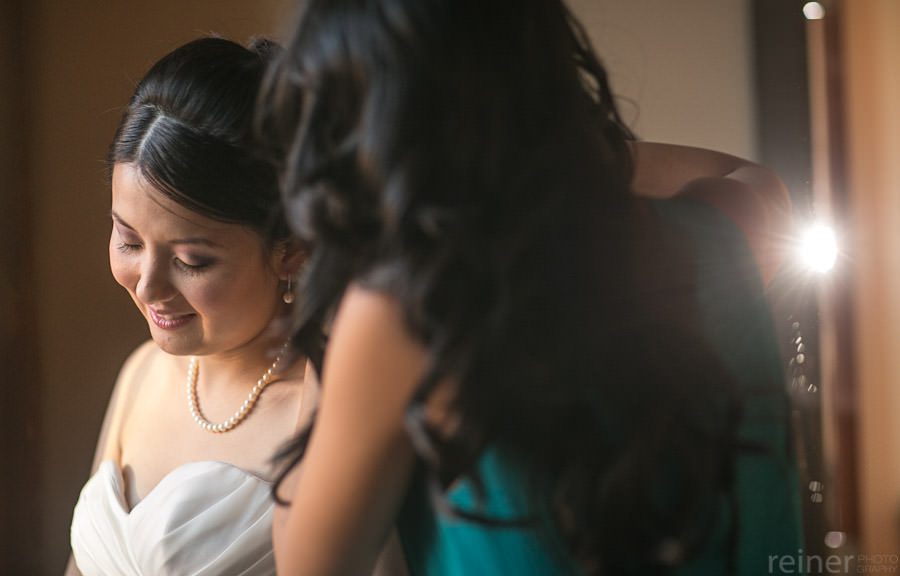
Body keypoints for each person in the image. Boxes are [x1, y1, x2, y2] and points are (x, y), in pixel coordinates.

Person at [260, 0, 803, 574]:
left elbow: (308, 565)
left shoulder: (402, 311)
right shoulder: (724, 232)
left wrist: (332, 319)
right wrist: (560, 158)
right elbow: (748, 176)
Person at [66, 37, 311, 576]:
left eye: (192, 261)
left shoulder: (320, 412)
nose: (148, 287)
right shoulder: (141, 373)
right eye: (128, 241)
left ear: (288, 250)